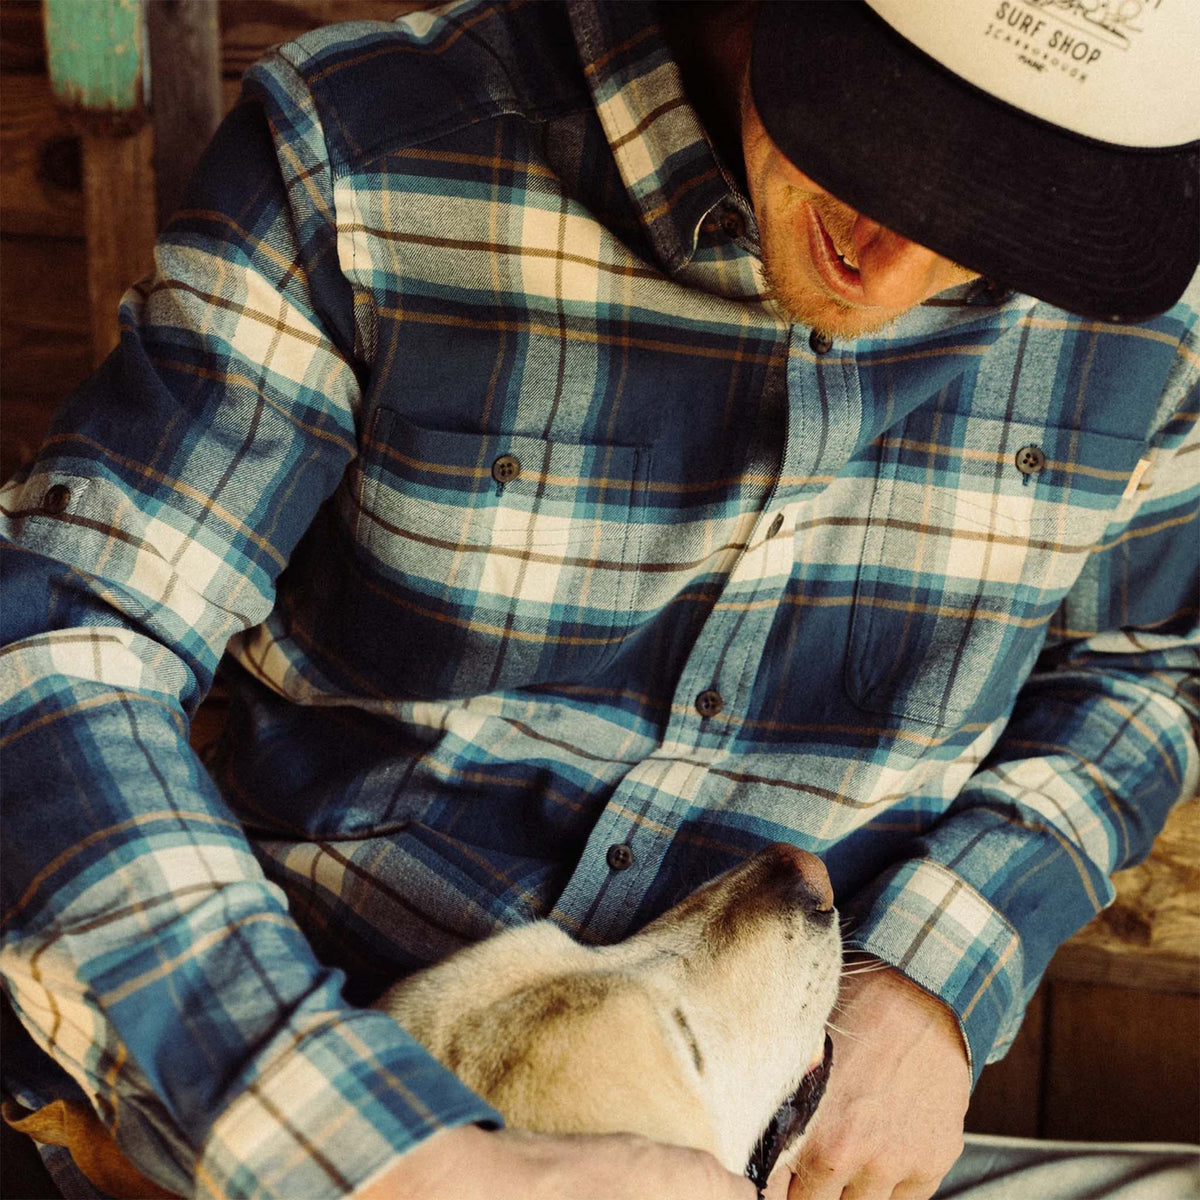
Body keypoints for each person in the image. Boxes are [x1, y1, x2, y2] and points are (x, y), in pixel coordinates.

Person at [1, 1, 1196, 1198]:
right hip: (294, 1126)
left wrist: (941, 965)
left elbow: (1146, 660)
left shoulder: (1156, 316)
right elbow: (63, 638)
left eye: (1004, 230)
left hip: (782, 1136)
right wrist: (385, 1156)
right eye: (885, 156)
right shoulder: (364, 153)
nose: (897, 276)